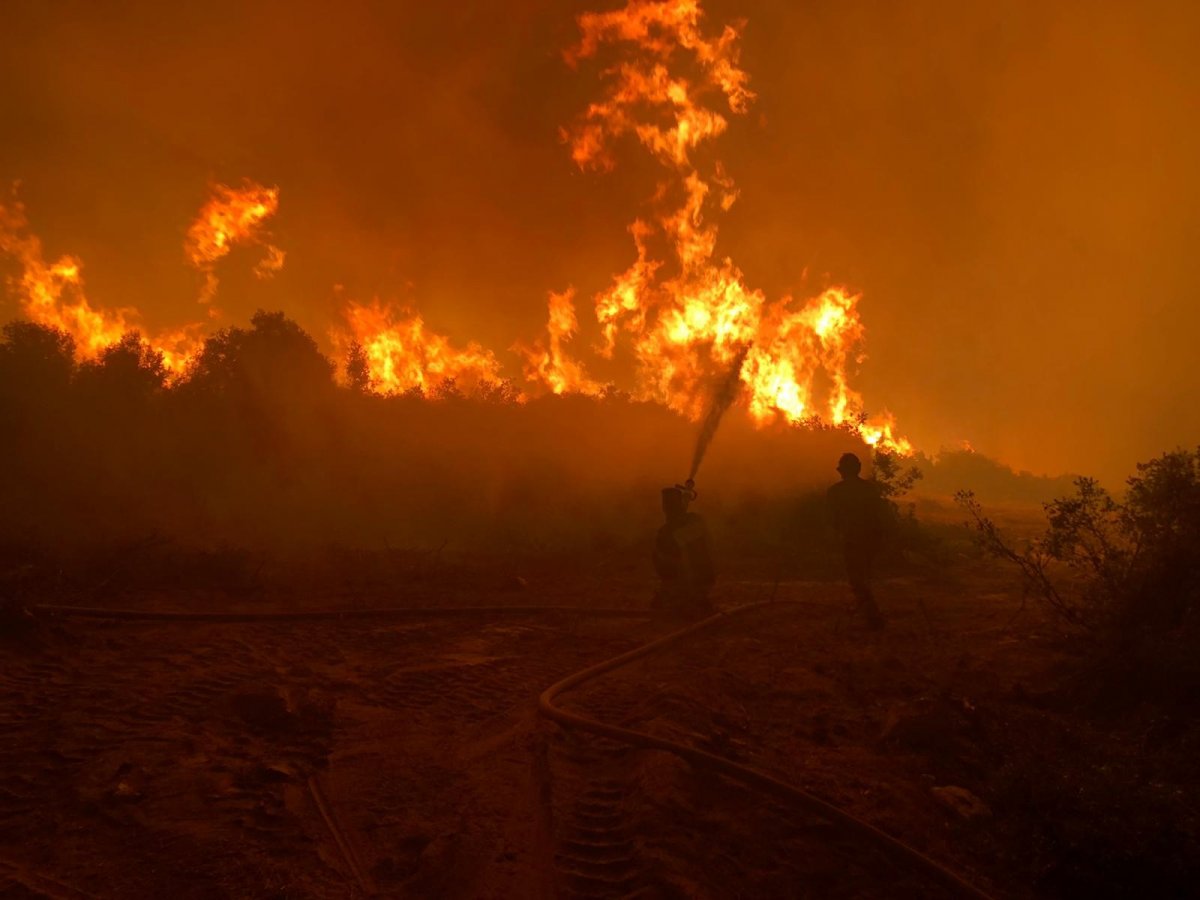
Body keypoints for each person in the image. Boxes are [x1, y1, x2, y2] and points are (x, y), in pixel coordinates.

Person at [826, 452, 887, 628]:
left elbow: (832, 520)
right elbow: (879, 516)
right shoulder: (869, 489)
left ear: (842, 471)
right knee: (863, 576)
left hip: (851, 540)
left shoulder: (836, 492)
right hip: (869, 539)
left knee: (856, 578)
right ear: (858, 469)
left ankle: (872, 615)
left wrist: (833, 539)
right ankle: (867, 612)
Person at [652, 484, 715, 614]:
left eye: (670, 506)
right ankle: (679, 593)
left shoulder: (693, 523)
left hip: (698, 579)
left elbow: (681, 541)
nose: (667, 510)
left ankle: (690, 594)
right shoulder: (666, 531)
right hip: (680, 580)